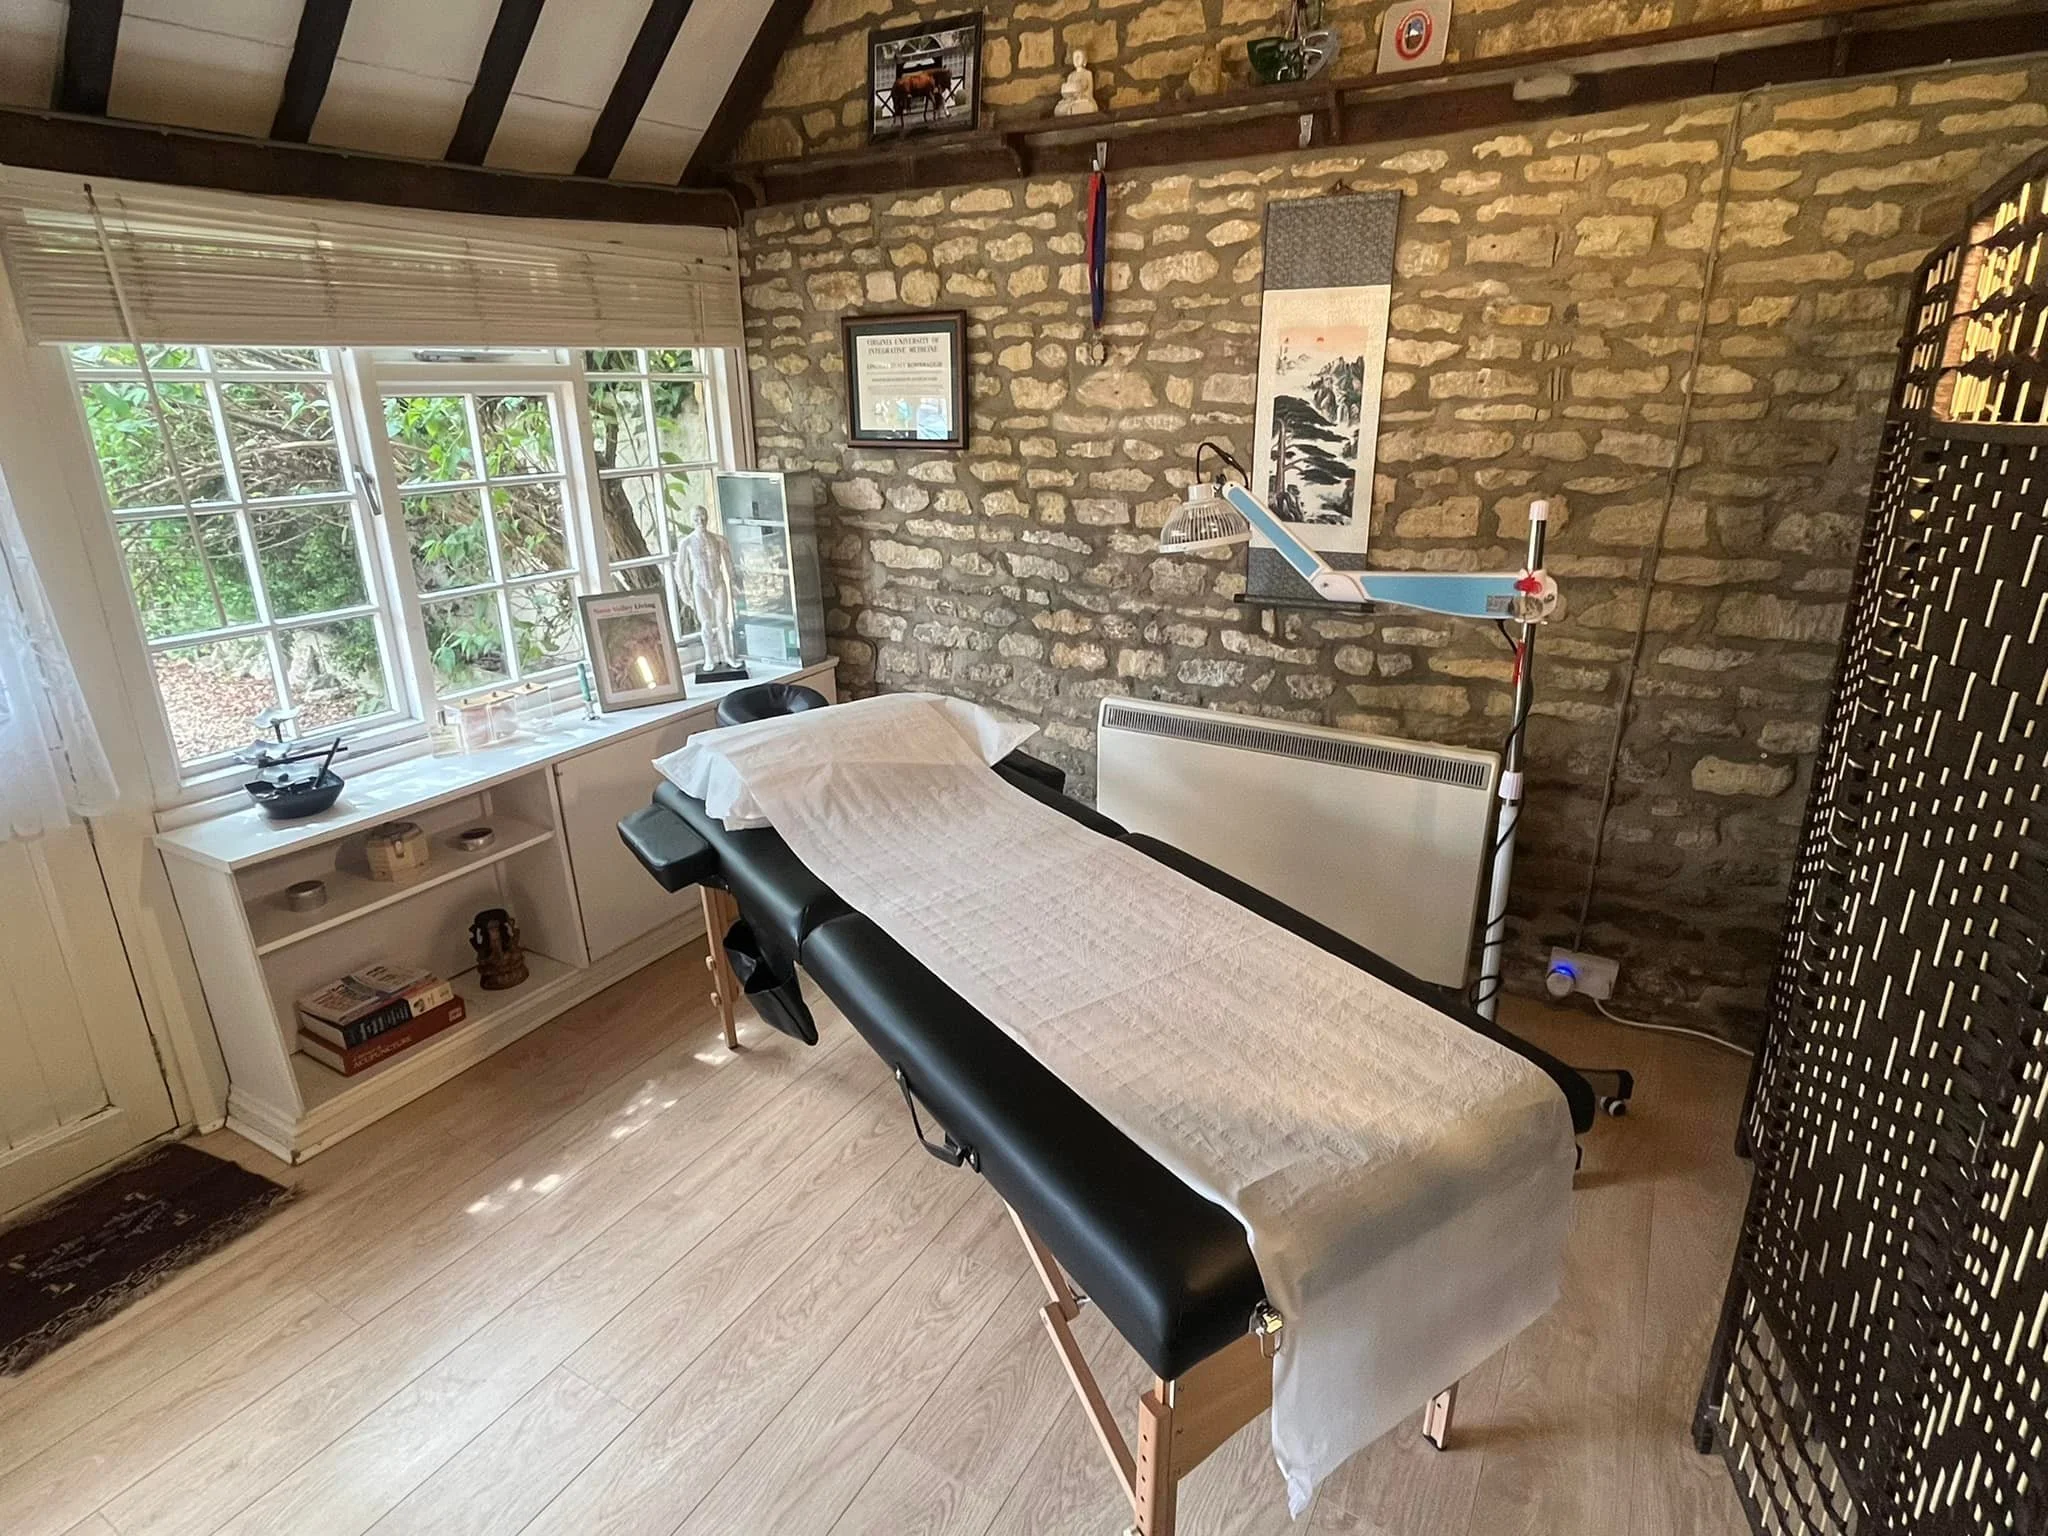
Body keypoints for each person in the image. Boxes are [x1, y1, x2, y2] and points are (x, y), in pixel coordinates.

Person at [677, 504, 743, 676]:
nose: (701, 521)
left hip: (718, 581)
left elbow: (729, 563)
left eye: (703, 516)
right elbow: (680, 567)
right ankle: (708, 657)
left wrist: (734, 582)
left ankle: (728, 655)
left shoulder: (719, 540)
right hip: (699, 583)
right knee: (705, 622)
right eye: (696, 518)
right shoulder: (687, 542)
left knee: (722, 620)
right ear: (692, 520)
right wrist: (683, 589)